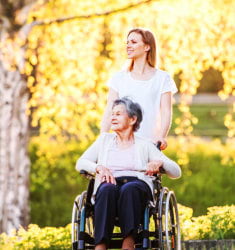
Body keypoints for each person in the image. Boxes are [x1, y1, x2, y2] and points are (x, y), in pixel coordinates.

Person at [76, 97, 181, 250]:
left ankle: (128, 244)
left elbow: (176, 171)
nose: (112, 117)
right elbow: (81, 163)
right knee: (106, 189)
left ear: (132, 119)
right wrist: (99, 168)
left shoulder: (145, 144)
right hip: (109, 183)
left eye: (118, 114)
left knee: (129, 189)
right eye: (112, 114)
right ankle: (100, 246)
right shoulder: (104, 140)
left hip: (136, 186)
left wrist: (159, 162)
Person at [101, 28, 178, 150]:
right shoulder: (119, 78)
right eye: (127, 43)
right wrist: (102, 138)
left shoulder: (163, 78)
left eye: (133, 42)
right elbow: (109, 111)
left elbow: (166, 112)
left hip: (149, 146)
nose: (128, 46)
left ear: (147, 47)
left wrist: (161, 137)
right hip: (121, 146)